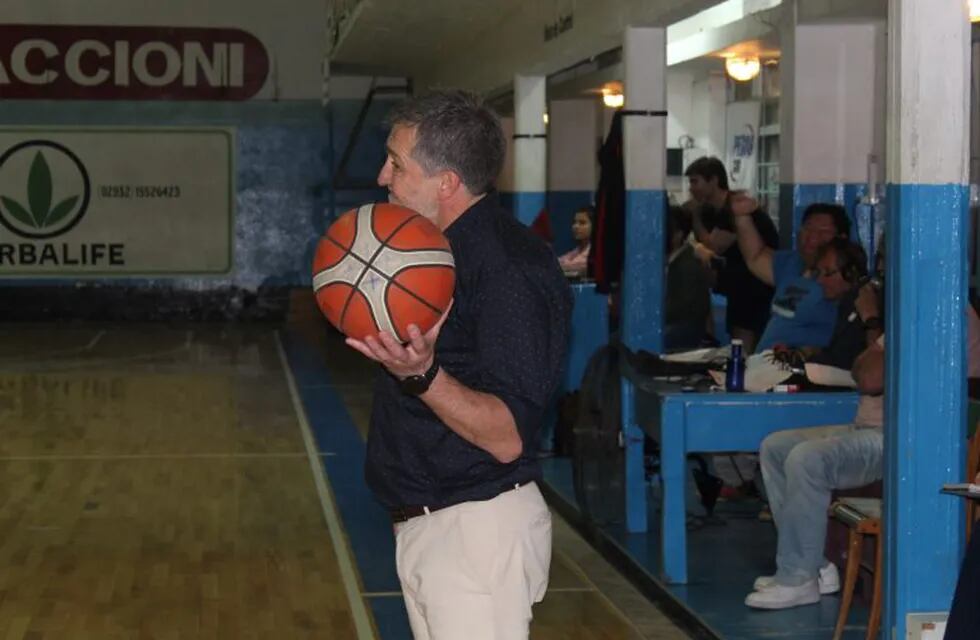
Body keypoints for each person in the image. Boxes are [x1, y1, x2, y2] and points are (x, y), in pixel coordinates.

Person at [345, 90, 573, 639]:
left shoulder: (507, 268)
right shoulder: (437, 254)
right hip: (434, 527)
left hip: (476, 533)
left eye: (397, 164)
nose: (382, 177)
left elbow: (507, 436)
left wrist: (422, 376)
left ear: (446, 182)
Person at [731, 193, 851, 352]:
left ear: (841, 238)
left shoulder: (842, 276)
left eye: (823, 231)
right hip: (766, 365)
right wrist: (742, 217)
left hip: (804, 369)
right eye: (808, 228)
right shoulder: (791, 263)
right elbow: (755, 256)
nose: (813, 237)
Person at [684, 157, 778, 353]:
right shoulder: (711, 211)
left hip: (756, 286)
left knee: (745, 345)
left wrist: (694, 218)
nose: (691, 188)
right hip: (739, 285)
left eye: (695, 181)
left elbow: (713, 245)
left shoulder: (735, 207)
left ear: (714, 180)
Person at [665, 205, 712, 349]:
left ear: (678, 234)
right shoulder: (678, 260)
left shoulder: (687, 266)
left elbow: (680, 310)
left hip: (684, 332)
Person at [557, 206, 593, 278]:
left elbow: (581, 266)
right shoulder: (575, 252)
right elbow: (556, 263)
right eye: (574, 222)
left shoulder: (595, 253)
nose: (575, 226)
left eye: (582, 223)